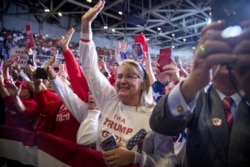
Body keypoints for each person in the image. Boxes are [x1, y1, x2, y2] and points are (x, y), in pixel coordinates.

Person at [79, 1, 175, 167]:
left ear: (143, 83)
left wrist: (136, 158)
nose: (122, 81)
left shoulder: (156, 118)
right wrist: (86, 26)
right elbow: (90, 68)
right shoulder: (110, 99)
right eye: (119, 76)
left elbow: (168, 161)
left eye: (130, 76)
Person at [150, 10, 250, 167]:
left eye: (236, 47)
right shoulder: (195, 97)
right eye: (219, 48)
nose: (227, 55)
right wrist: (193, 81)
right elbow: (162, 125)